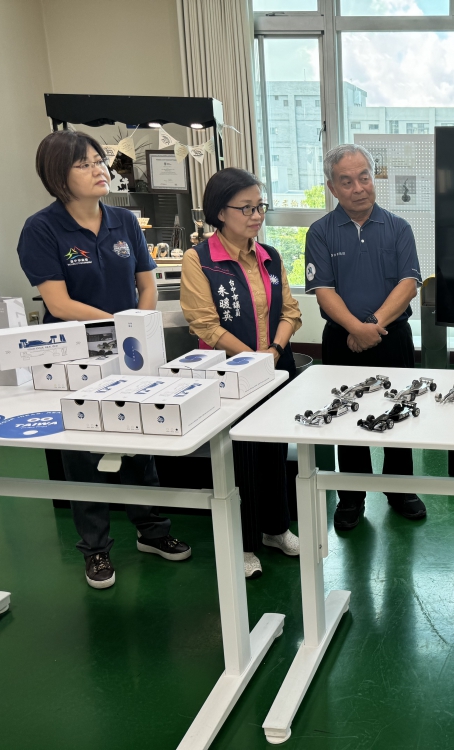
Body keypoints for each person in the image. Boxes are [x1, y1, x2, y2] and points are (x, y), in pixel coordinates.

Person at [16, 130, 191, 590]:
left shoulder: (123, 221)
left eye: (100, 161)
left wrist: (140, 327)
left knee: (139, 436)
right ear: (58, 176)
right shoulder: (42, 229)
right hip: (76, 353)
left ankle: (152, 530)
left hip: (130, 350)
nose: (100, 170)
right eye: (85, 164)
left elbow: (146, 283)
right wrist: (119, 325)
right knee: (83, 448)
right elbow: (58, 302)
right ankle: (95, 548)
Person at [180, 168, 302, 578]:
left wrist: (275, 351)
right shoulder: (200, 259)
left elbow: (290, 311)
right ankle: (245, 543)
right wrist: (253, 358)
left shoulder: (270, 255)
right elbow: (205, 324)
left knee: (274, 450)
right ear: (220, 212)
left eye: (259, 206)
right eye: (246, 208)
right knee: (241, 458)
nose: (256, 215)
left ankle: (276, 529)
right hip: (231, 373)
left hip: (274, 366)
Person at [303, 144, 425, 531]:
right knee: (345, 415)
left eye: (364, 177)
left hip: (393, 336)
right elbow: (323, 291)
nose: (358, 188)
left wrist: (370, 326)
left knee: (398, 412)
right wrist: (356, 330)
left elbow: (408, 285)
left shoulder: (398, 227)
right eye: (347, 181)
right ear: (332, 187)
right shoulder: (320, 232)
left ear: (374, 179)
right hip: (342, 340)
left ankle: (400, 490)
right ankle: (352, 496)